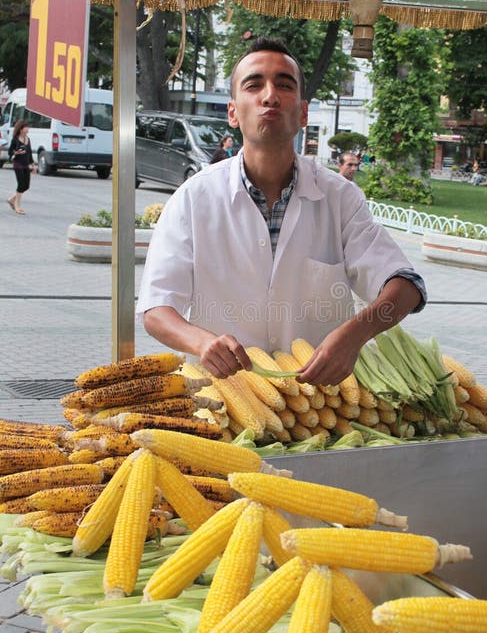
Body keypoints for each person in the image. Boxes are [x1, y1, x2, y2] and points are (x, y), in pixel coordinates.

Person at [137, 37, 426, 386]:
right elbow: (156, 308)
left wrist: (354, 336)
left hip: (318, 404)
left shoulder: (340, 198)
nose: (270, 96)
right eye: (254, 84)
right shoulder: (193, 199)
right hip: (223, 399)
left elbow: (406, 287)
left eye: (284, 85)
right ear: (232, 112)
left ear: (303, 113)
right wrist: (202, 342)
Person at [6, 119, 35, 215]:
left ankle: (11, 199)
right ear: (21, 129)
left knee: (26, 186)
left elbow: (30, 153)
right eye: (26, 127)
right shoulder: (15, 139)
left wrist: (33, 165)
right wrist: (17, 152)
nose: (28, 129)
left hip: (26, 164)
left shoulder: (28, 139)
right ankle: (18, 206)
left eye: (28, 127)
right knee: (21, 184)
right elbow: (10, 152)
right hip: (17, 164)